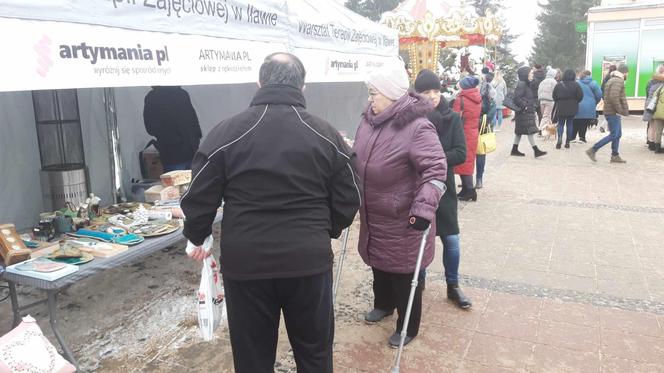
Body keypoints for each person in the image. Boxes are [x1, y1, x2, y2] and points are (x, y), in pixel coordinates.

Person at [181, 53, 360, 373]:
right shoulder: (326, 134)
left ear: (259, 83)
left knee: (252, 358)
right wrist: (326, 229)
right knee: (315, 353)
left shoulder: (226, 133)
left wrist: (197, 235)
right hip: (308, 261)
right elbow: (350, 195)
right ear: (303, 86)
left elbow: (198, 194)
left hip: (247, 263)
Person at [354, 60, 447, 348]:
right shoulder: (368, 121)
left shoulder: (418, 127)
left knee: (404, 274)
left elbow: (435, 171)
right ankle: (383, 305)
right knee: (379, 265)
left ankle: (408, 326)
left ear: (393, 94)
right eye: (369, 93)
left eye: (374, 93)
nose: (370, 99)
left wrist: (423, 210)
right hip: (374, 212)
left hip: (404, 217)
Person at [414, 70, 472, 309]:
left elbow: (461, 153)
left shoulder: (453, 119)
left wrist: (434, 159)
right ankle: (419, 281)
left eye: (436, 91)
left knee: (452, 240)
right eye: (426, 92)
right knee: (419, 239)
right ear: (417, 94)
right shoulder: (411, 120)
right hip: (418, 189)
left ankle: (453, 285)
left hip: (444, 189)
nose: (433, 97)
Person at [143, 86, 202, 171]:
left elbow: (150, 127)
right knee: (193, 181)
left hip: (174, 152)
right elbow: (193, 120)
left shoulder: (153, 97)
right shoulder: (182, 93)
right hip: (188, 149)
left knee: (176, 181)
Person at [586, 64, 630, 163]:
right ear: (624, 72)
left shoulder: (612, 79)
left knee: (618, 134)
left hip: (611, 111)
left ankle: (615, 155)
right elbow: (614, 97)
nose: (627, 74)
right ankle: (593, 149)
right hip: (613, 112)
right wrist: (620, 110)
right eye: (627, 72)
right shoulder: (618, 81)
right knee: (614, 134)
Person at [452, 76, 482, 201]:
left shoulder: (461, 99)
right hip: (473, 132)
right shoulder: (477, 98)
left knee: (463, 162)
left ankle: (470, 191)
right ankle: (465, 189)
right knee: (468, 161)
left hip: (463, 133)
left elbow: (455, 116)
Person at [512, 66, 548, 157]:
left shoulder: (526, 83)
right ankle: (536, 150)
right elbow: (516, 98)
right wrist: (526, 106)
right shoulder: (522, 84)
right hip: (524, 112)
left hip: (524, 112)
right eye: (531, 73)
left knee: (519, 132)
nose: (532, 75)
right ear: (525, 74)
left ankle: (514, 150)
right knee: (530, 131)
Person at [475, 69, 496, 189]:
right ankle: (466, 177)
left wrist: (481, 120)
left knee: (480, 153)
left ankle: (479, 178)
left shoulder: (488, 94)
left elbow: (491, 113)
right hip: (469, 128)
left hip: (482, 127)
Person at [552, 69, 584, 149]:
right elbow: (580, 96)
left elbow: (554, 96)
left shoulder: (559, 85)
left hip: (561, 106)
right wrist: (575, 102)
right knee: (570, 124)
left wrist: (558, 101)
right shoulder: (576, 85)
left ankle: (559, 138)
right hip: (572, 107)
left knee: (561, 124)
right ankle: (567, 142)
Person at [572, 70, 603, 143]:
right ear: (590, 75)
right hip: (589, 105)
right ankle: (582, 138)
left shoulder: (577, 83)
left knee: (575, 121)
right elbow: (599, 95)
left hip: (577, 104)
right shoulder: (593, 83)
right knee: (584, 122)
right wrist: (595, 102)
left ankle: (572, 137)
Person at [644, 65, 664, 152]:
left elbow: (647, 94)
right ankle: (656, 145)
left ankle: (651, 143)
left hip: (650, 107)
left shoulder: (650, 83)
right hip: (658, 109)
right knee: (657, 128)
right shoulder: (661, 86)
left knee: (651, 126)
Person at [537, 67, 558, 134]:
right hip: (550, 100)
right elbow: (555, 91)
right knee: (546, 116)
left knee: (546, 115)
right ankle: (540, 128)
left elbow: (539, 90)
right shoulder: (554, 82)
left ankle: (551, 131)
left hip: (541, 100)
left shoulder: (543, 81)